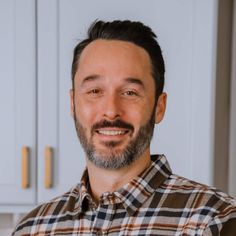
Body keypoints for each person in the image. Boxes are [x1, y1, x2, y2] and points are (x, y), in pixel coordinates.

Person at [13, 20, 236, 235]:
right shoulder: (32, 228)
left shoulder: (215, 220)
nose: (111, 110)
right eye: (94, 91)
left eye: (130, 92)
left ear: (159, 107)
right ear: (73, 103)